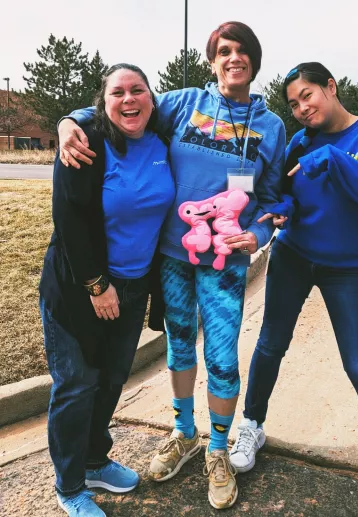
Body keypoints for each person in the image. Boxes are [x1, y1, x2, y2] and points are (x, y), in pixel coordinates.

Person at [57, 22, 285, 510]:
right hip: (173, 259)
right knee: (179, 346)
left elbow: (270, 198)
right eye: (224, 50)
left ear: (254, 61)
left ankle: (218, 450)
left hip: (224, 261)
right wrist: (67, 120)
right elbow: (121, 111)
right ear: (212, 60)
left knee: (222, 358)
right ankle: (185, 433)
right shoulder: (183, 104)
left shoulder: (270, 127)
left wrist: (261, 233)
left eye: (242, 51)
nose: (233, 58)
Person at [229, 62, 358, 500]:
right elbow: (287, 197)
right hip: (294, 257)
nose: (300, 109)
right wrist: (281, 211)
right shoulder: (299, 141)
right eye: (293, 104)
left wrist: (331, 158)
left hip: (347, 267)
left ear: (330, 88)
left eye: (307, 96)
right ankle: (252, 427)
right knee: (270, 345)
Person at [40, 63, 175, 517]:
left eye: (139, 90)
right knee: (77, 384)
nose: (129, 99)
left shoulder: (162, 137)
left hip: (135, 289)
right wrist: (98, 285)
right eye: (118, 92)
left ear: (152, 100)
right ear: (104, 101)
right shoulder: (86, 142)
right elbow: (70, 219)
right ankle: (69, 484)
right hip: (80, 287)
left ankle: (95, 460)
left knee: (112, 381)